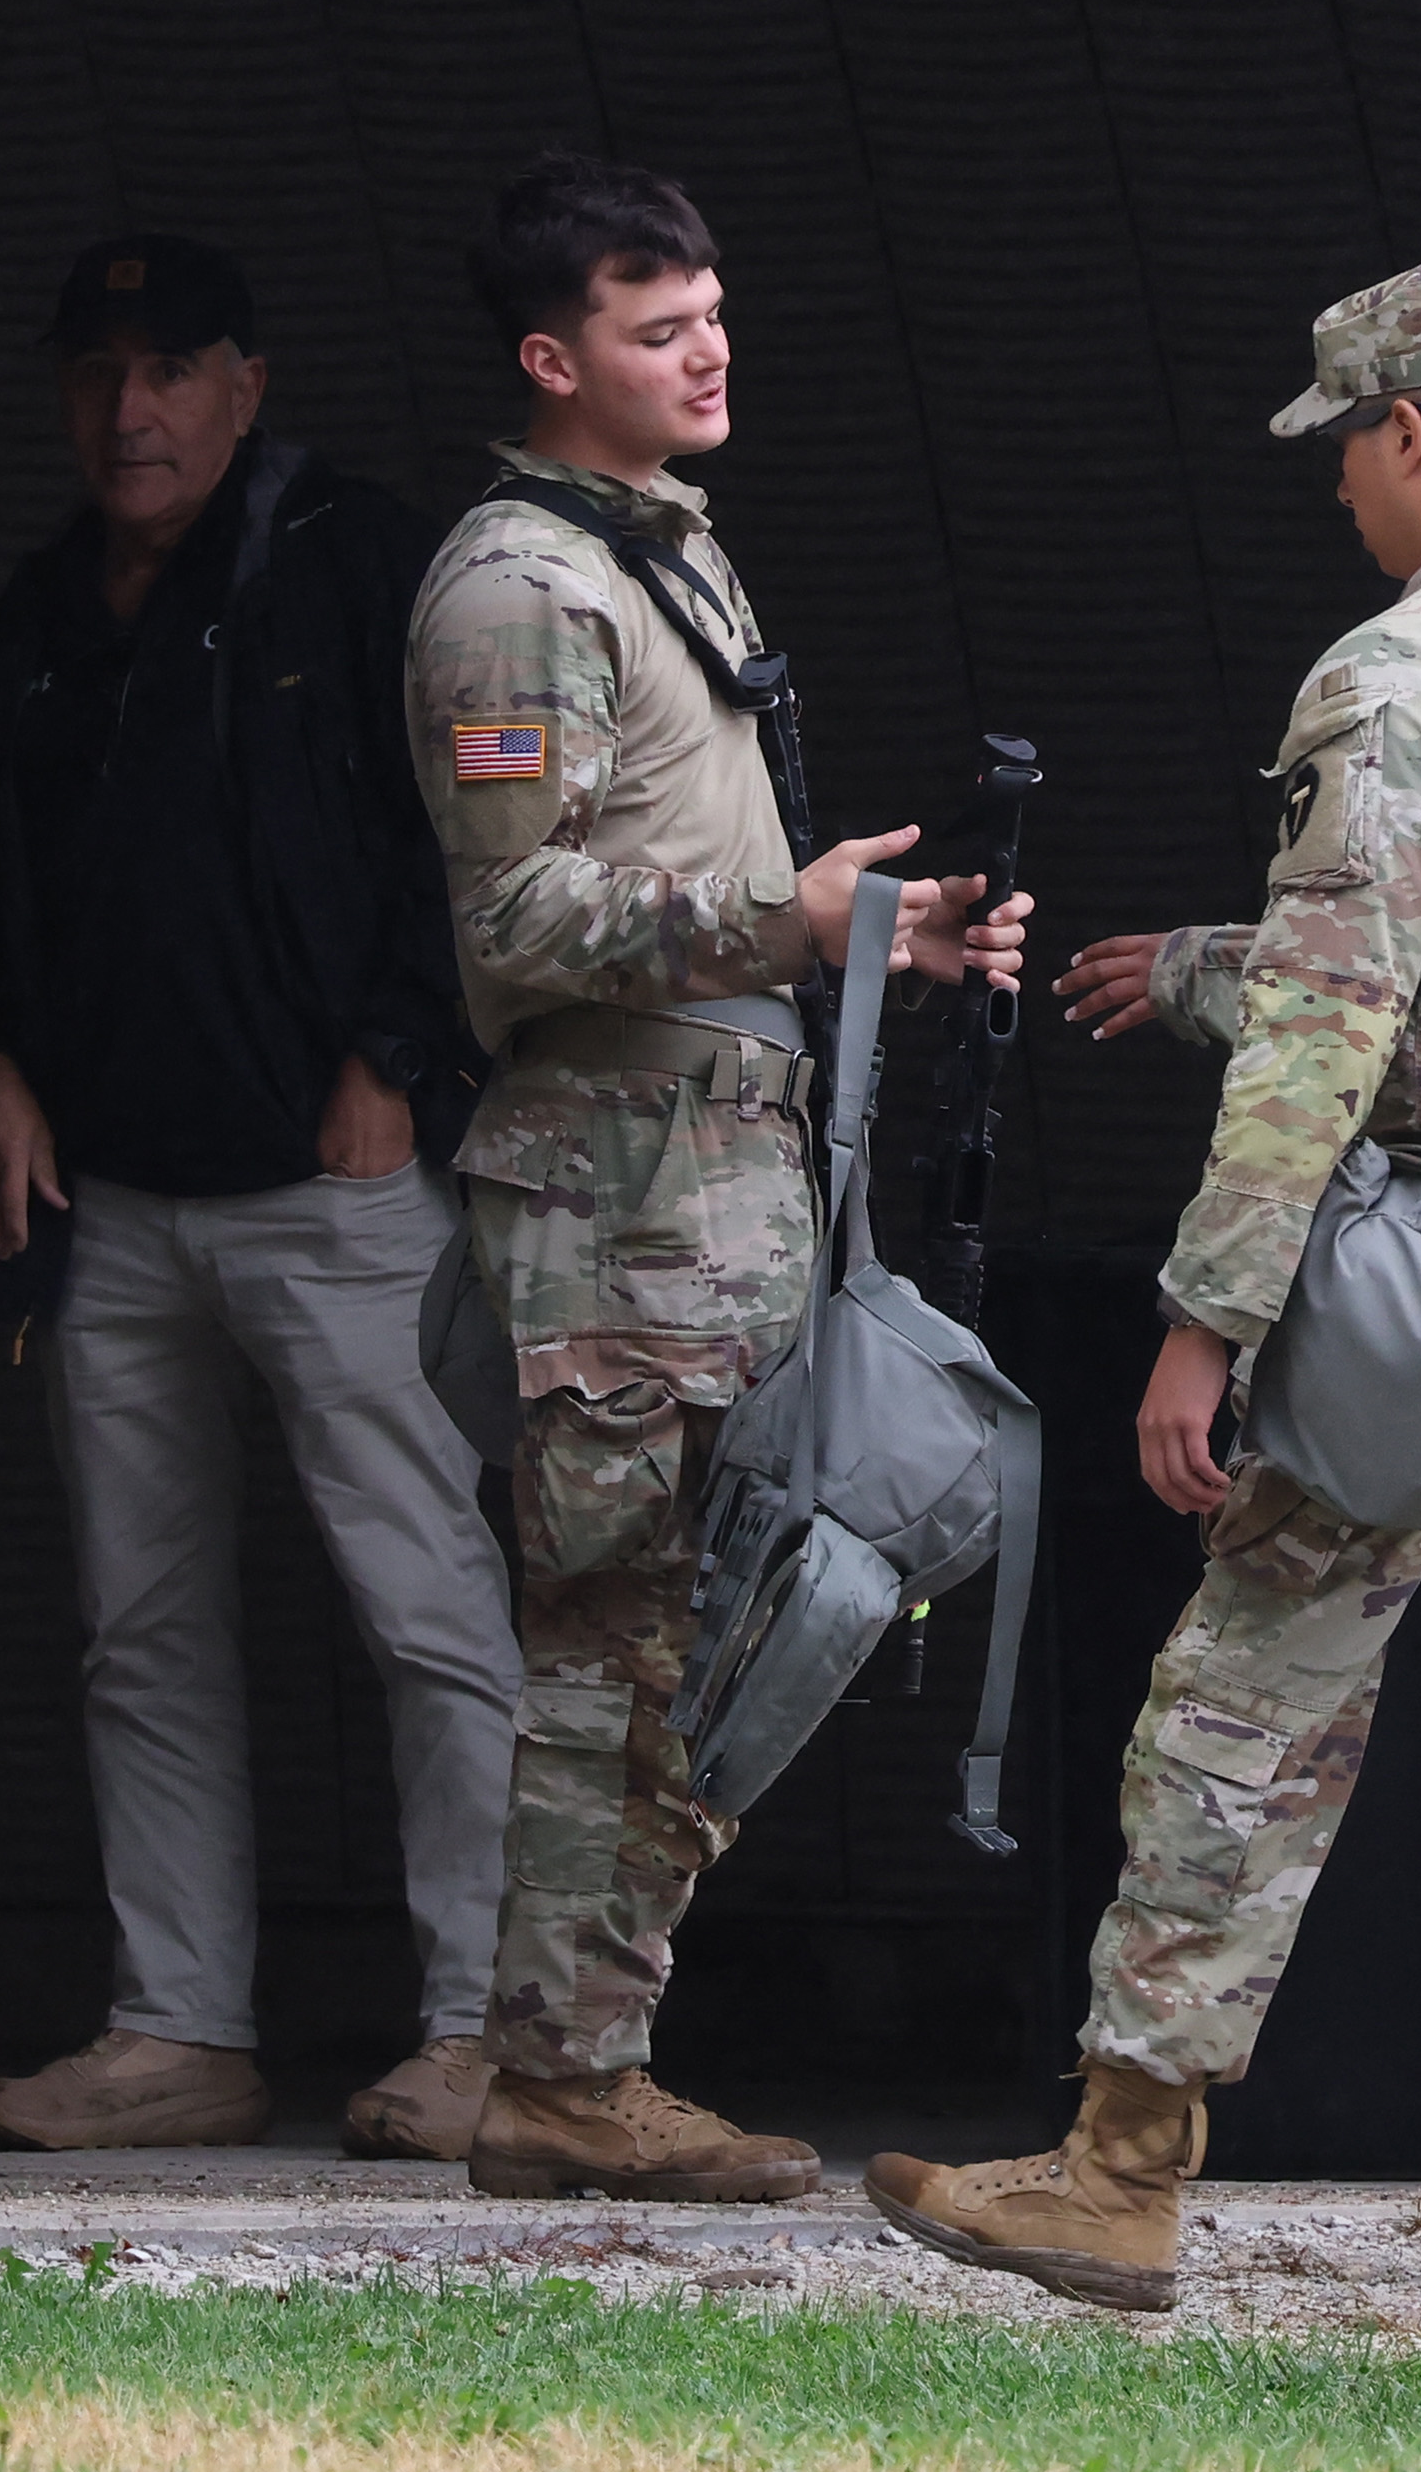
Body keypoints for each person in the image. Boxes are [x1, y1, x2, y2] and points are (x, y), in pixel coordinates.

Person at [869, 263, 1421, 2334]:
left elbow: (1326, 1022)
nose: (1339, 500)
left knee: (1247, 1700)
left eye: (1343, 453)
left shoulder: (1406, 672)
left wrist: (1210, 1318)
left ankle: (1118, 2173)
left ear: (1411, 431)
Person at [407, 153, 1029, 2205]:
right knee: (621, 1631)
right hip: (615, 1189)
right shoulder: (523, 585)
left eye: (712, 310)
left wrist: (885, 939)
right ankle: (566, 2075)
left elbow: (717, 906)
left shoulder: (659, 553)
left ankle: (590, 2052)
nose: (707, 346)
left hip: (708, 1170)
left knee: (703, 1610)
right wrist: (788, 910)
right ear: (548, 357)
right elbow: (519, 932)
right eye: (656, 324)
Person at [0, 232, 522, 2162]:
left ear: (246, 386)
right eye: (96, 369)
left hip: (333, 1191)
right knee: (143, 1628)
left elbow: (480, 834)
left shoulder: (360, 560)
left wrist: (400, 1061)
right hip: (116, 1208)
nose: (129, 406)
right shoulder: (35, 617)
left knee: (427, 1606)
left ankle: (485, 2033)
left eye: (171, 366)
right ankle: (177, 2029)